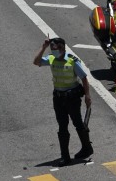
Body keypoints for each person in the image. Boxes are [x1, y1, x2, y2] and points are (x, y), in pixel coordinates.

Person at [34, 37, 93, 165]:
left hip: (72, 98)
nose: (54, 50)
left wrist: (87, 96)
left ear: (62, 48)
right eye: (52, 48)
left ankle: (86, 148)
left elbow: (84, 78)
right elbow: (36, 61)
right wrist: (43, 47)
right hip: (58, 98)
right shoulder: (51, 58)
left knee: (78, 123)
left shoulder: (72, 61)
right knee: (62, 126)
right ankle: (65, 156)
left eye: (55, 48)